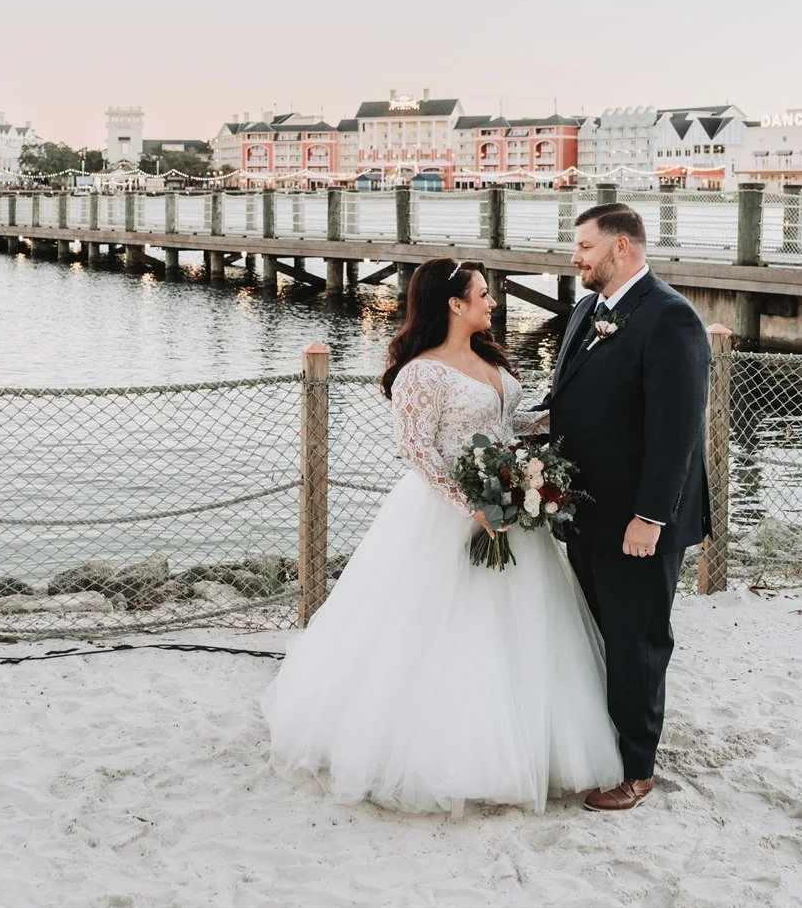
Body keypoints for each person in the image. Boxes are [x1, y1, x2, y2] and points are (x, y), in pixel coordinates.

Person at [261, 259, 622, 814]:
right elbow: (418, 451)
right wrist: (472, 506)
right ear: (455, 304)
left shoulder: (489, 360)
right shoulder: (420, 373)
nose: (492, 302)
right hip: (446, 515)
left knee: (524, 629)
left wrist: (551, 433)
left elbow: (507, 425)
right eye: (483, 293)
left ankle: (531, 742)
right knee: (437, 632)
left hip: (510, 509)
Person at [539, 202, 712, 811]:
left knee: (637, 640)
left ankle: (638, 769)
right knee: (598, 633)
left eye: (584, 246)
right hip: (583, 509)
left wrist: (651, 518)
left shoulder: (671, 320)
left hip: (638, 521)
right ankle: (608, 742)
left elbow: (677, 433)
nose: (574, 257)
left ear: (622, 249)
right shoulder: (589, 309)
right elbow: (569, 397)